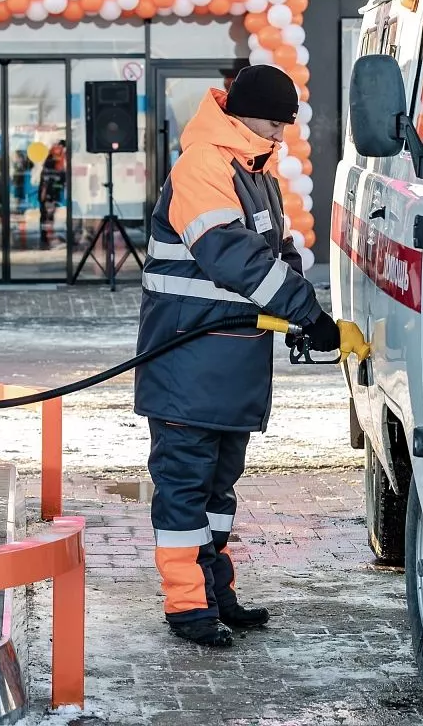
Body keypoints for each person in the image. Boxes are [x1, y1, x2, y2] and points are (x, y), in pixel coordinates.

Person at [134, 64, 342, 648]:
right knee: (184, 485)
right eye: (273, 121)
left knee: (218, 492)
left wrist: (305, 312)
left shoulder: (255, 172)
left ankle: (214, 590)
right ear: (241, 114)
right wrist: (307, 312)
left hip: (229, 364)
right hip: (188, 360)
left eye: (285, 125)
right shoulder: (204, 165)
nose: (279, 134)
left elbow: (277, 253)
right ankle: (187, 606)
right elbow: (230, 255)